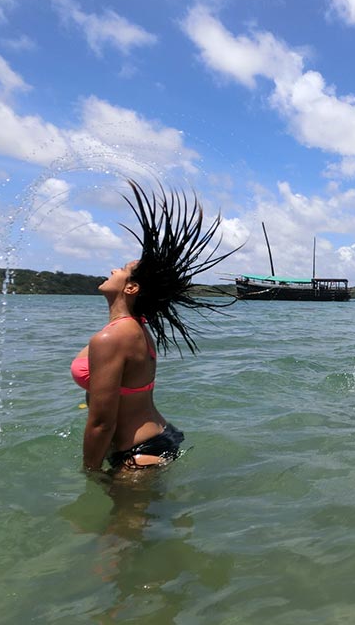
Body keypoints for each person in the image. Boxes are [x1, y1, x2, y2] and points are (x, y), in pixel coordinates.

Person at [71, 180, 237, 471]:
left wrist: (90, 472)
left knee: (119, 519)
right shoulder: (135, 327)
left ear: (132, 288)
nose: (113, 270)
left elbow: (101, 423)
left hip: (138, 453)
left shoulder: (113, 337)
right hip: (157, 439)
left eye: (121, 270)